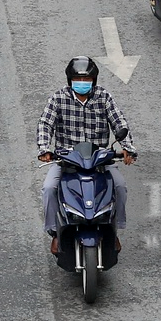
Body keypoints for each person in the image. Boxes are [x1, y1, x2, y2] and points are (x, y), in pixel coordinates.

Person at [37, 56, 135, 251]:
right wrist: (44, 149)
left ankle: (113, 230)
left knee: (120, 187)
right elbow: (45, 124)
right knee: (49, 189)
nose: (82, 84)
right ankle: (55, 233)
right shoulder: (58, 98)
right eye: (78, 80)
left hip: (99, 159)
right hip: (67, 160)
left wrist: (128, 148)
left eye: (86, 80)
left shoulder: (103, 97)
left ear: (94, 81)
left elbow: (119, 122)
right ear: (70, 80)